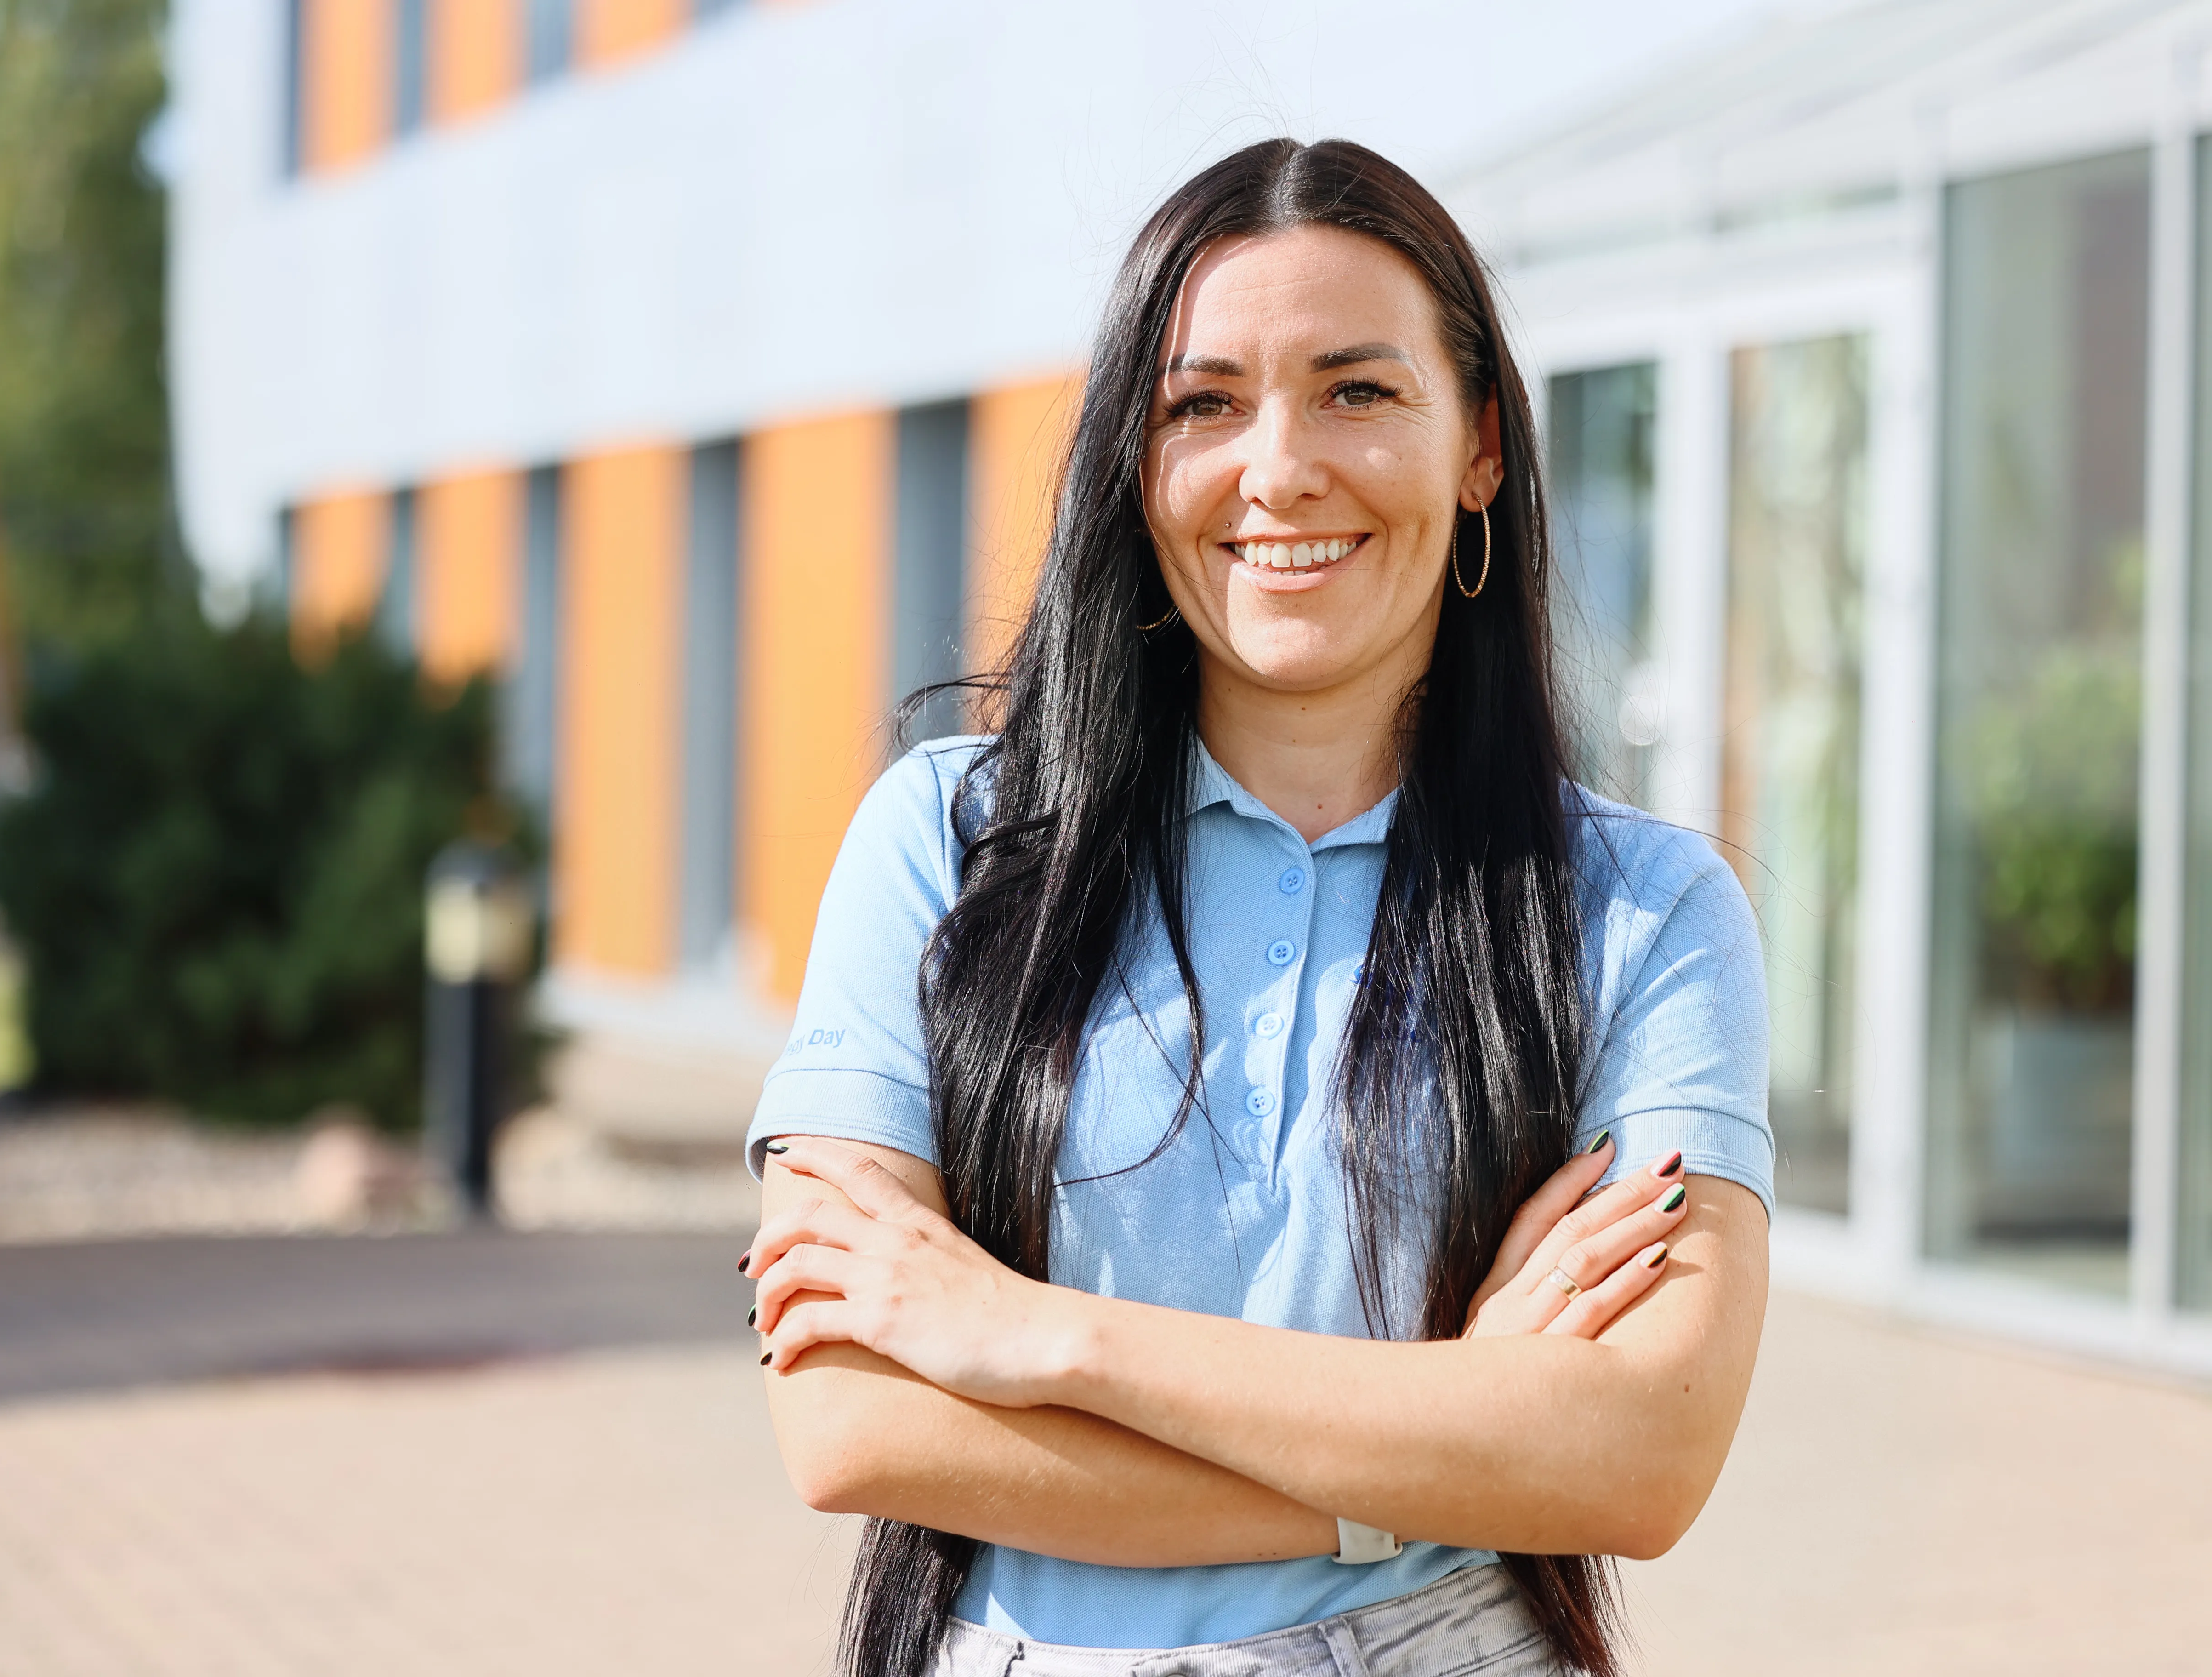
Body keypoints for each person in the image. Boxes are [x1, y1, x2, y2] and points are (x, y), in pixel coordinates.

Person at [740, 137, 1772, 1677]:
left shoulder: (1642, 911)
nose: (1278, 468)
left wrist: (1043, 1339)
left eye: (1358, 391)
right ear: (1132, 462)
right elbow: (852, 1421)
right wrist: (1440, 1445)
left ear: (1480, 445)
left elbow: (1639, 1458)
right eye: (1203, 403)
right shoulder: (948, 843)